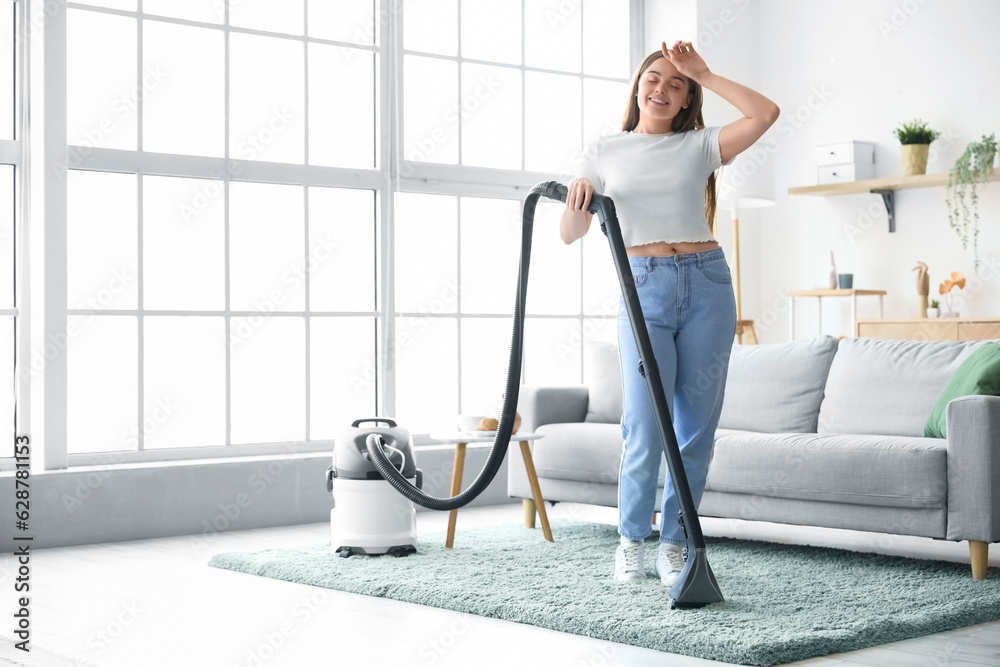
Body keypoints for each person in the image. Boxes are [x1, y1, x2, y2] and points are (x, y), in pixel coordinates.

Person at [559, 41, 779, 586]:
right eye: (653, 79)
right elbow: (570, 235)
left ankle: (676, 544)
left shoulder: (699, 146)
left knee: (695, 429)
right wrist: (577, 198)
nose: (662, 89)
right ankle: (632, 540)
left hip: (706, 282)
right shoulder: (603, 151)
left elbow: (765, 114)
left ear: (686, 100)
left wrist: (704, 70)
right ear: (638, 88)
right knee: (643, 423)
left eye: (676, 84)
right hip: (644, 289)